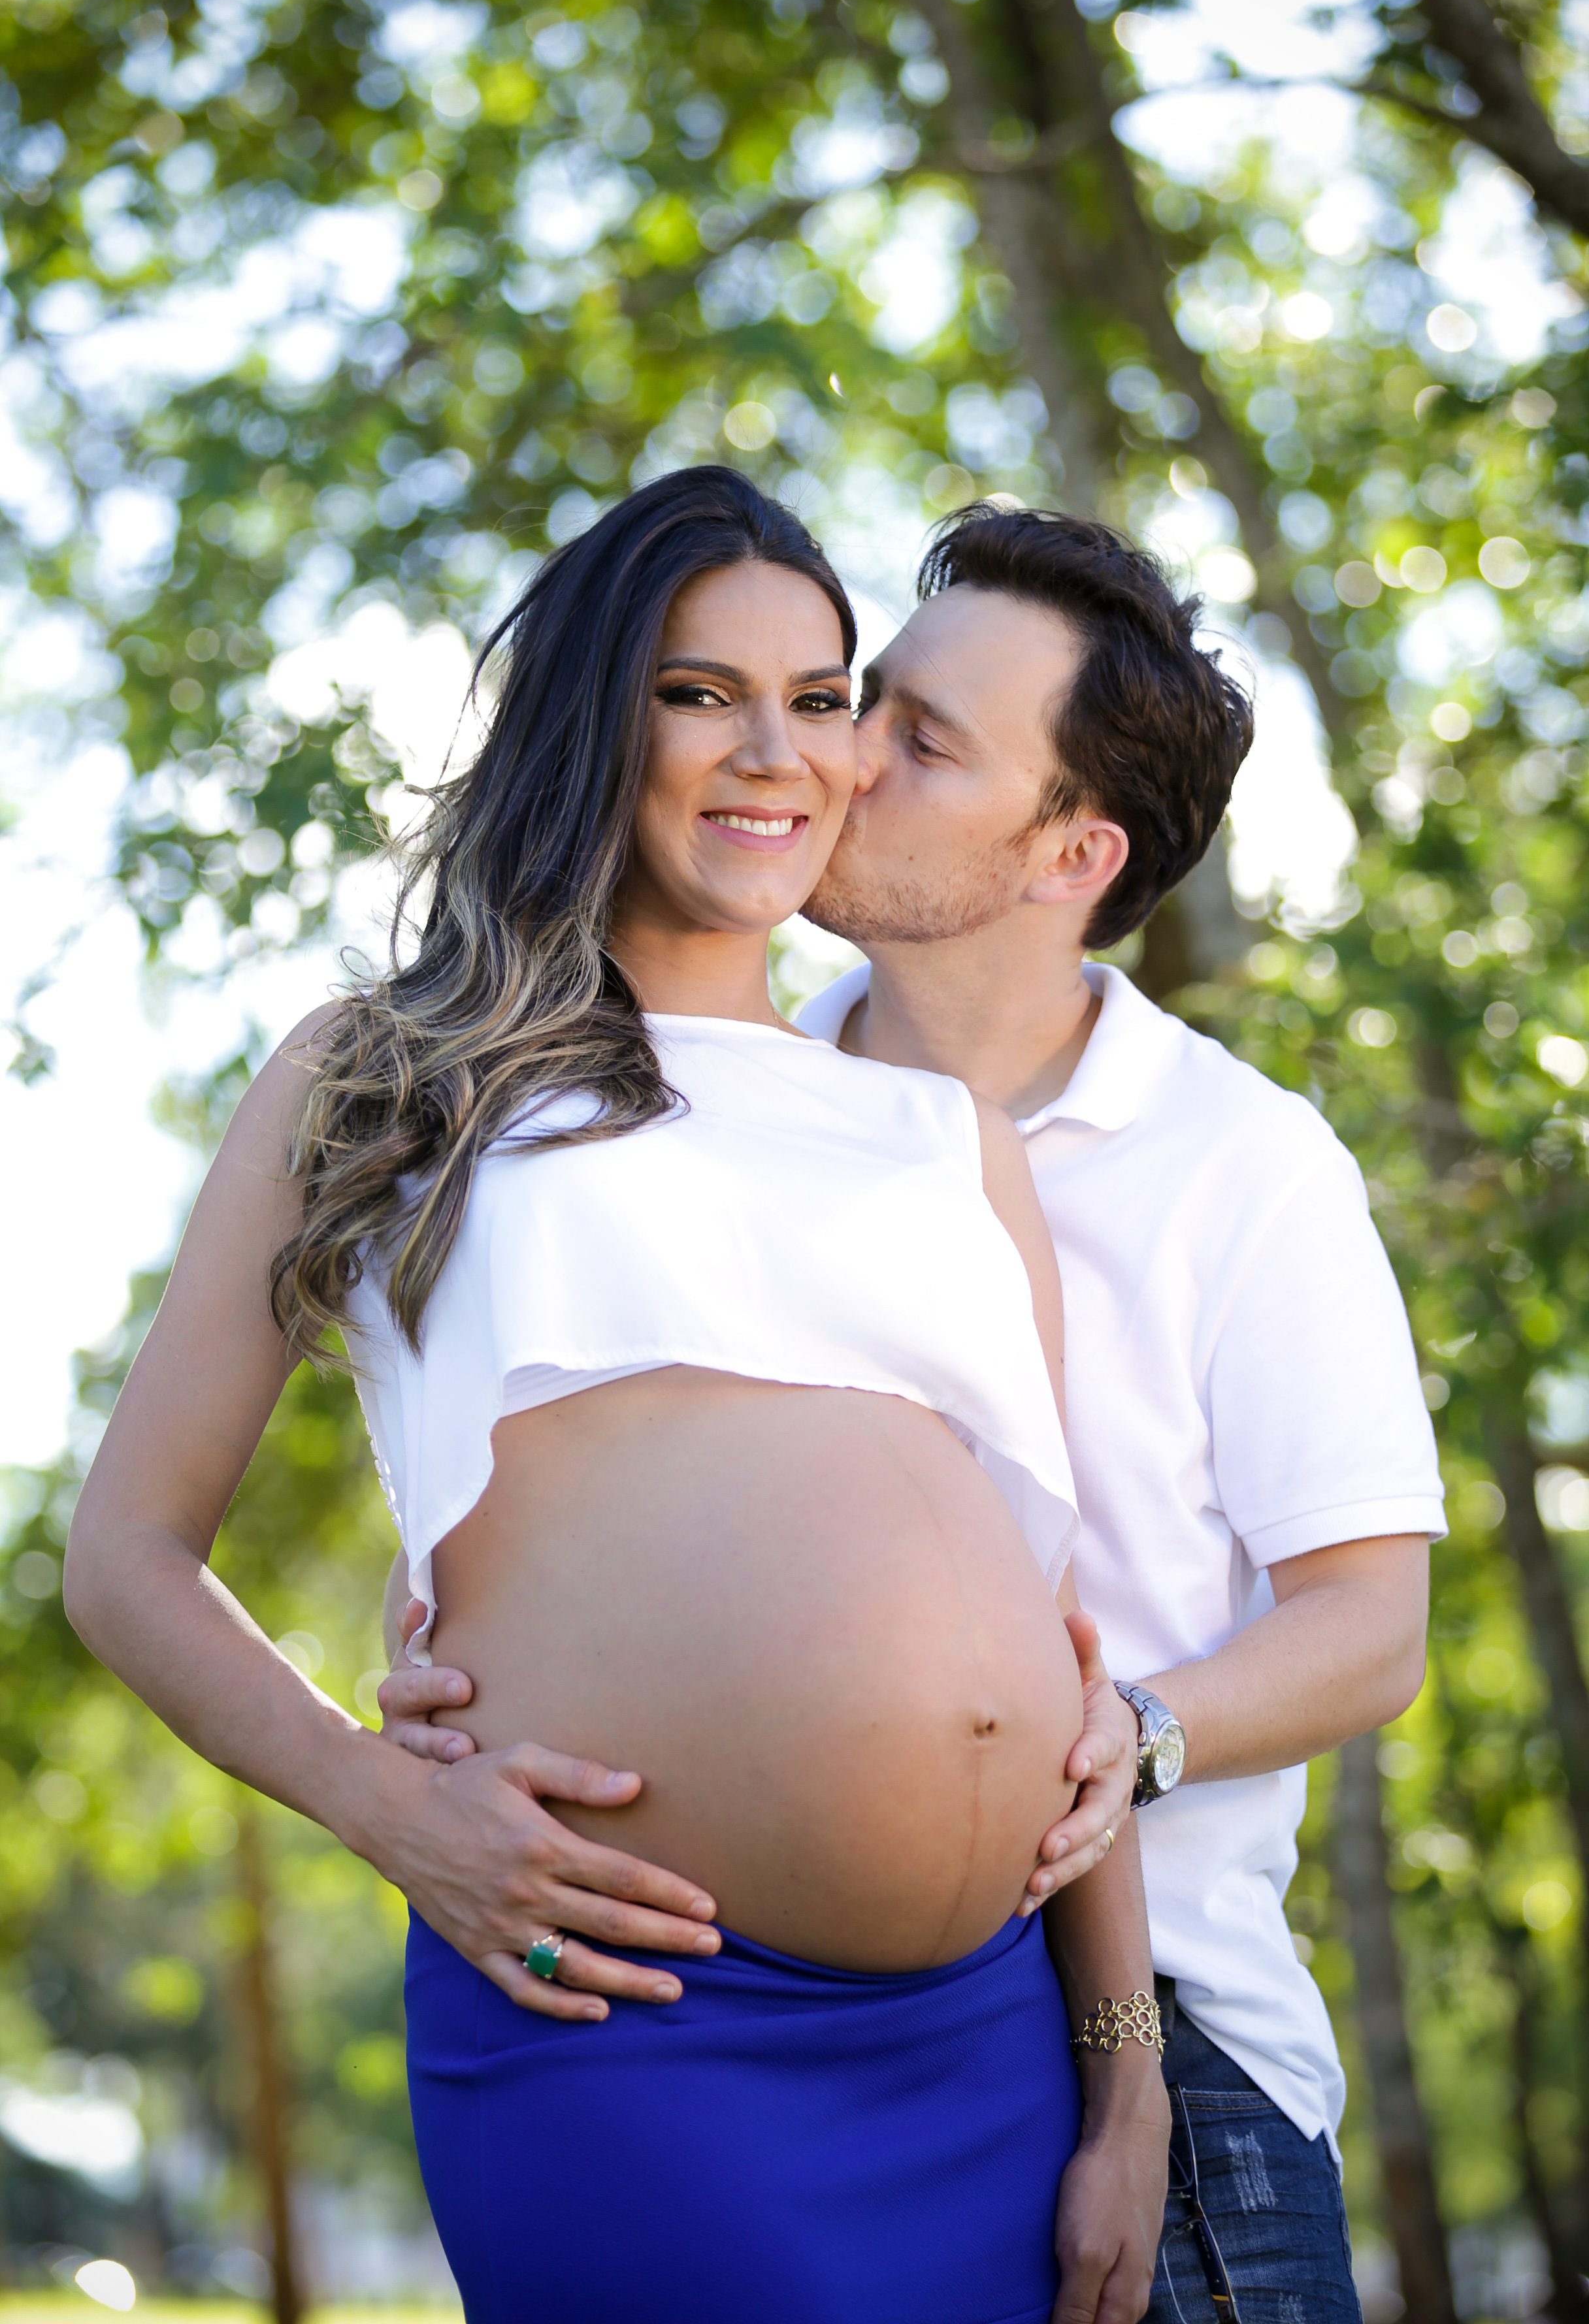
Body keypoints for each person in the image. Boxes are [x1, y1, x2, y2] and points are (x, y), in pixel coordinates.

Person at [65, 468, 1169, 2324]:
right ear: (597, 716)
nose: (776, 750)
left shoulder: (943, 1132)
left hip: (991, 2040)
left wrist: (1125, 2078)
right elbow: (125, 1556)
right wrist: (380, 1806)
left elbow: (1069, 1646)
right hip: (634, 2011)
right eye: (698, 690)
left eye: (821, 699)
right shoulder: (393, 1068)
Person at [384, 502, 1445, 2319]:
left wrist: (1130, 1731)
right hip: (734, 1997)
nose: (835, 752)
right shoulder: (727, 1084)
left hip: (1166, 2028)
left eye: (916, 738)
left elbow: (1371, 1627)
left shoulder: (1241, 1161)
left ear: (1069, 852)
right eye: (870, 698)